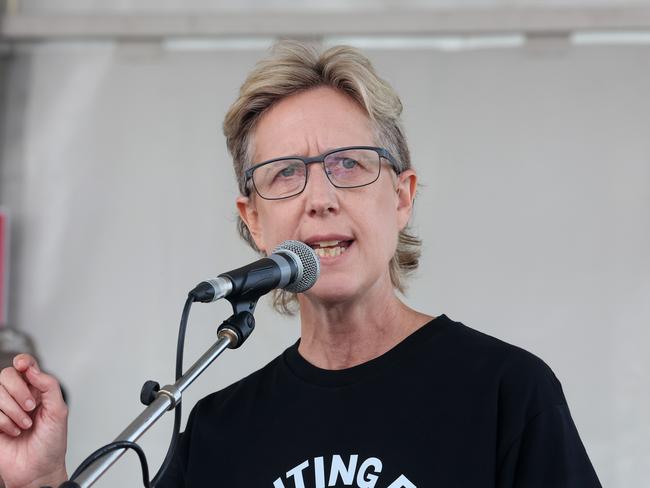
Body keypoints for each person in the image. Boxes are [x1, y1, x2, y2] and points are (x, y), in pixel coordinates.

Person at [0, 41, 602, 488]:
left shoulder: (505, 392)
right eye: (285, 173)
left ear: (401, 196)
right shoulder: (217, 428)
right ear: (254, 219)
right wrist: (40, 480)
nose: (319, 197)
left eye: (349, 163)